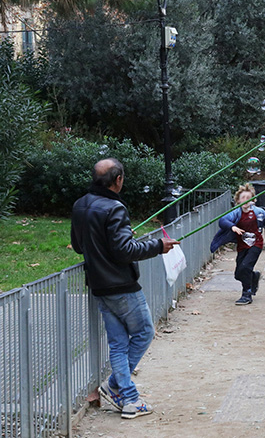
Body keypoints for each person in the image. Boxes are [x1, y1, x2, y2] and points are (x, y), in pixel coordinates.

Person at [71, 158, 179, 419]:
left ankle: (121, 392)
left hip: (99, 285)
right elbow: (124, 251)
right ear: (117, 180)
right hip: (121, 285)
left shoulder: (80, 204)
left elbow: (78, 245)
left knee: (119, 344)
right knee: (143, 333)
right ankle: (124, 392)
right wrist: (157, 246)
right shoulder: (114, 208)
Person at [211, 184, 265, 305]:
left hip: (256, 245)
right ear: (238, 200)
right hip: (242, 246)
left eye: (248, 198)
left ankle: (246, 294)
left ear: (253, 200)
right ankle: (254, 277)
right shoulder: (236, 213)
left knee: (245, 267)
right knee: (238, 273)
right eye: (243, 197)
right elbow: (223, 221)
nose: (245, 200)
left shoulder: (258, 212)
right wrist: (232, 227)